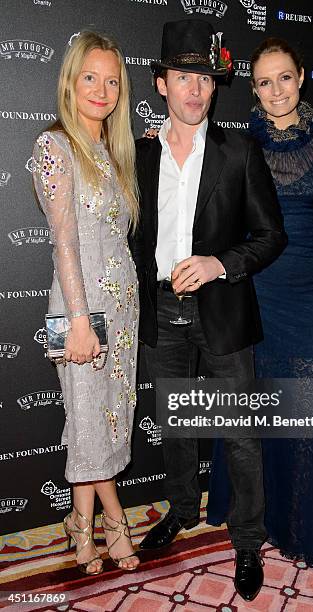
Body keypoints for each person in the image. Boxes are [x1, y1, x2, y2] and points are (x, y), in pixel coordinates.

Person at [129, 20, 286, 601]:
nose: (195, 89)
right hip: (161, 307)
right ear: (161, 84)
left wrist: (220, 264)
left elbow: (271, 235)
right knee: (177, 422)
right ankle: (182, 510)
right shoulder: (139, 152)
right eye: (182, 77)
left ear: (214, 86)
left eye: (204, 78)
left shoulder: (240, 150)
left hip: (221, 310)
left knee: (239, 433)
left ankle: (248, 542)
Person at [207, 37, 313, 568]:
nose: (277, 90)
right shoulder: (238, 142)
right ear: (253, 89)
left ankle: (296, 528)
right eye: (265, 81)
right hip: (254, 290)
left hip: (308, 293)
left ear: (302, 78)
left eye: (285, 78)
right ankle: (250, 517)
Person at [33, 31, 140, 575]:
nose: (101, 89)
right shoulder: (53, 147)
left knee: (104, 420)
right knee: (89, 420)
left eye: (112, 81)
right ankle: (114, 522)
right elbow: (65, 241)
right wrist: (78, 321)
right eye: (90, 77)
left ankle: (80, 523)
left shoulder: (112, 151)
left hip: (121, 312)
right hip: (76, 310)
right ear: (70, 82)